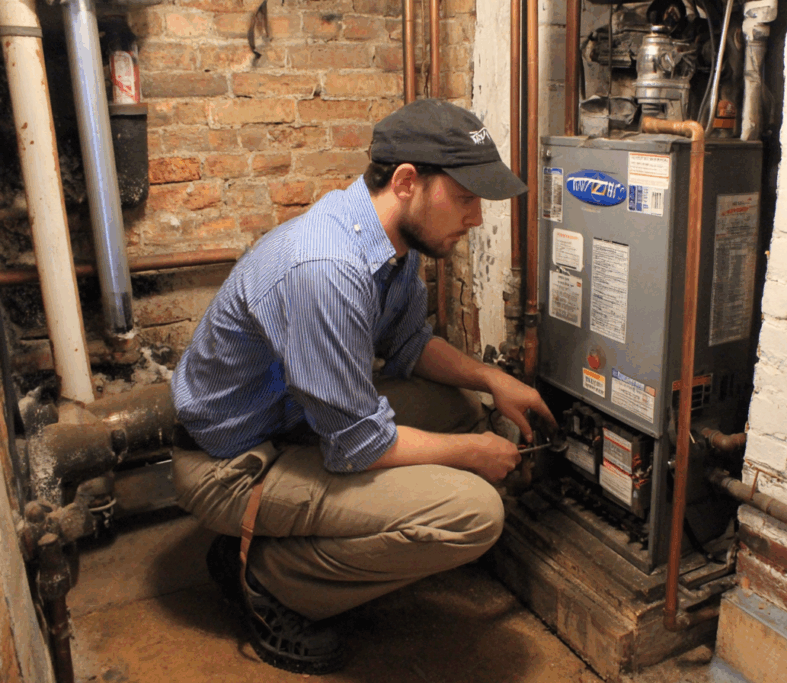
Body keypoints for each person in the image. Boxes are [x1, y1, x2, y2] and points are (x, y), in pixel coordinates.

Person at [170, 98, 557, 675]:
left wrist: (491, 378)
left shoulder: (390, 247)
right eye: (468, 197)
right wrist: (474, 454)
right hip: (228, 462)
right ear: (408, 182)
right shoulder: (328, 266)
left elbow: (408, 346)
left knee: (455, 404)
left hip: (290, 419)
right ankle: (264, 577)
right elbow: (358, 447)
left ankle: (310, 539)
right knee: (474, 514)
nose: (476, 219)